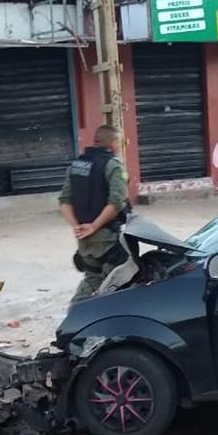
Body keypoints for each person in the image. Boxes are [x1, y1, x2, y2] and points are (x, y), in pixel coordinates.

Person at [58, 125, 130, 305]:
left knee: (92, 279)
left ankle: (75, 314)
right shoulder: (112, 165)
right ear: (113, 142)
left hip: (84, 240)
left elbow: (64, 201)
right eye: (119, 142)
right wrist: (94, 226)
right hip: (106, 238)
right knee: (117, 282)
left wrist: (77, 227)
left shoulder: (77, 165)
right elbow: (116, 202)